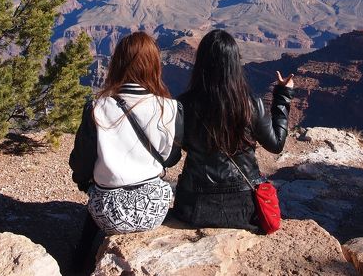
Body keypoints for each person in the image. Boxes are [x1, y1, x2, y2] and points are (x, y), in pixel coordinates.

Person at [173, 29, 294, 231]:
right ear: (235, 64)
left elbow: (179, 147)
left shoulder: (184, 104)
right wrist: (283, 95)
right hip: (244, 208)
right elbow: (276, 145)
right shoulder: (251, 105)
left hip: (193, 206)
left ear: (201, 63)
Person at [69, 31, 183, 240]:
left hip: (108, 213)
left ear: (117, 65)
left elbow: (81, 163)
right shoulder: (171, 108)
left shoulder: (97, 108)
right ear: (155, 66)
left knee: (98, 199)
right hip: (153, 210)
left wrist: (88, 183)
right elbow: (172, 158)